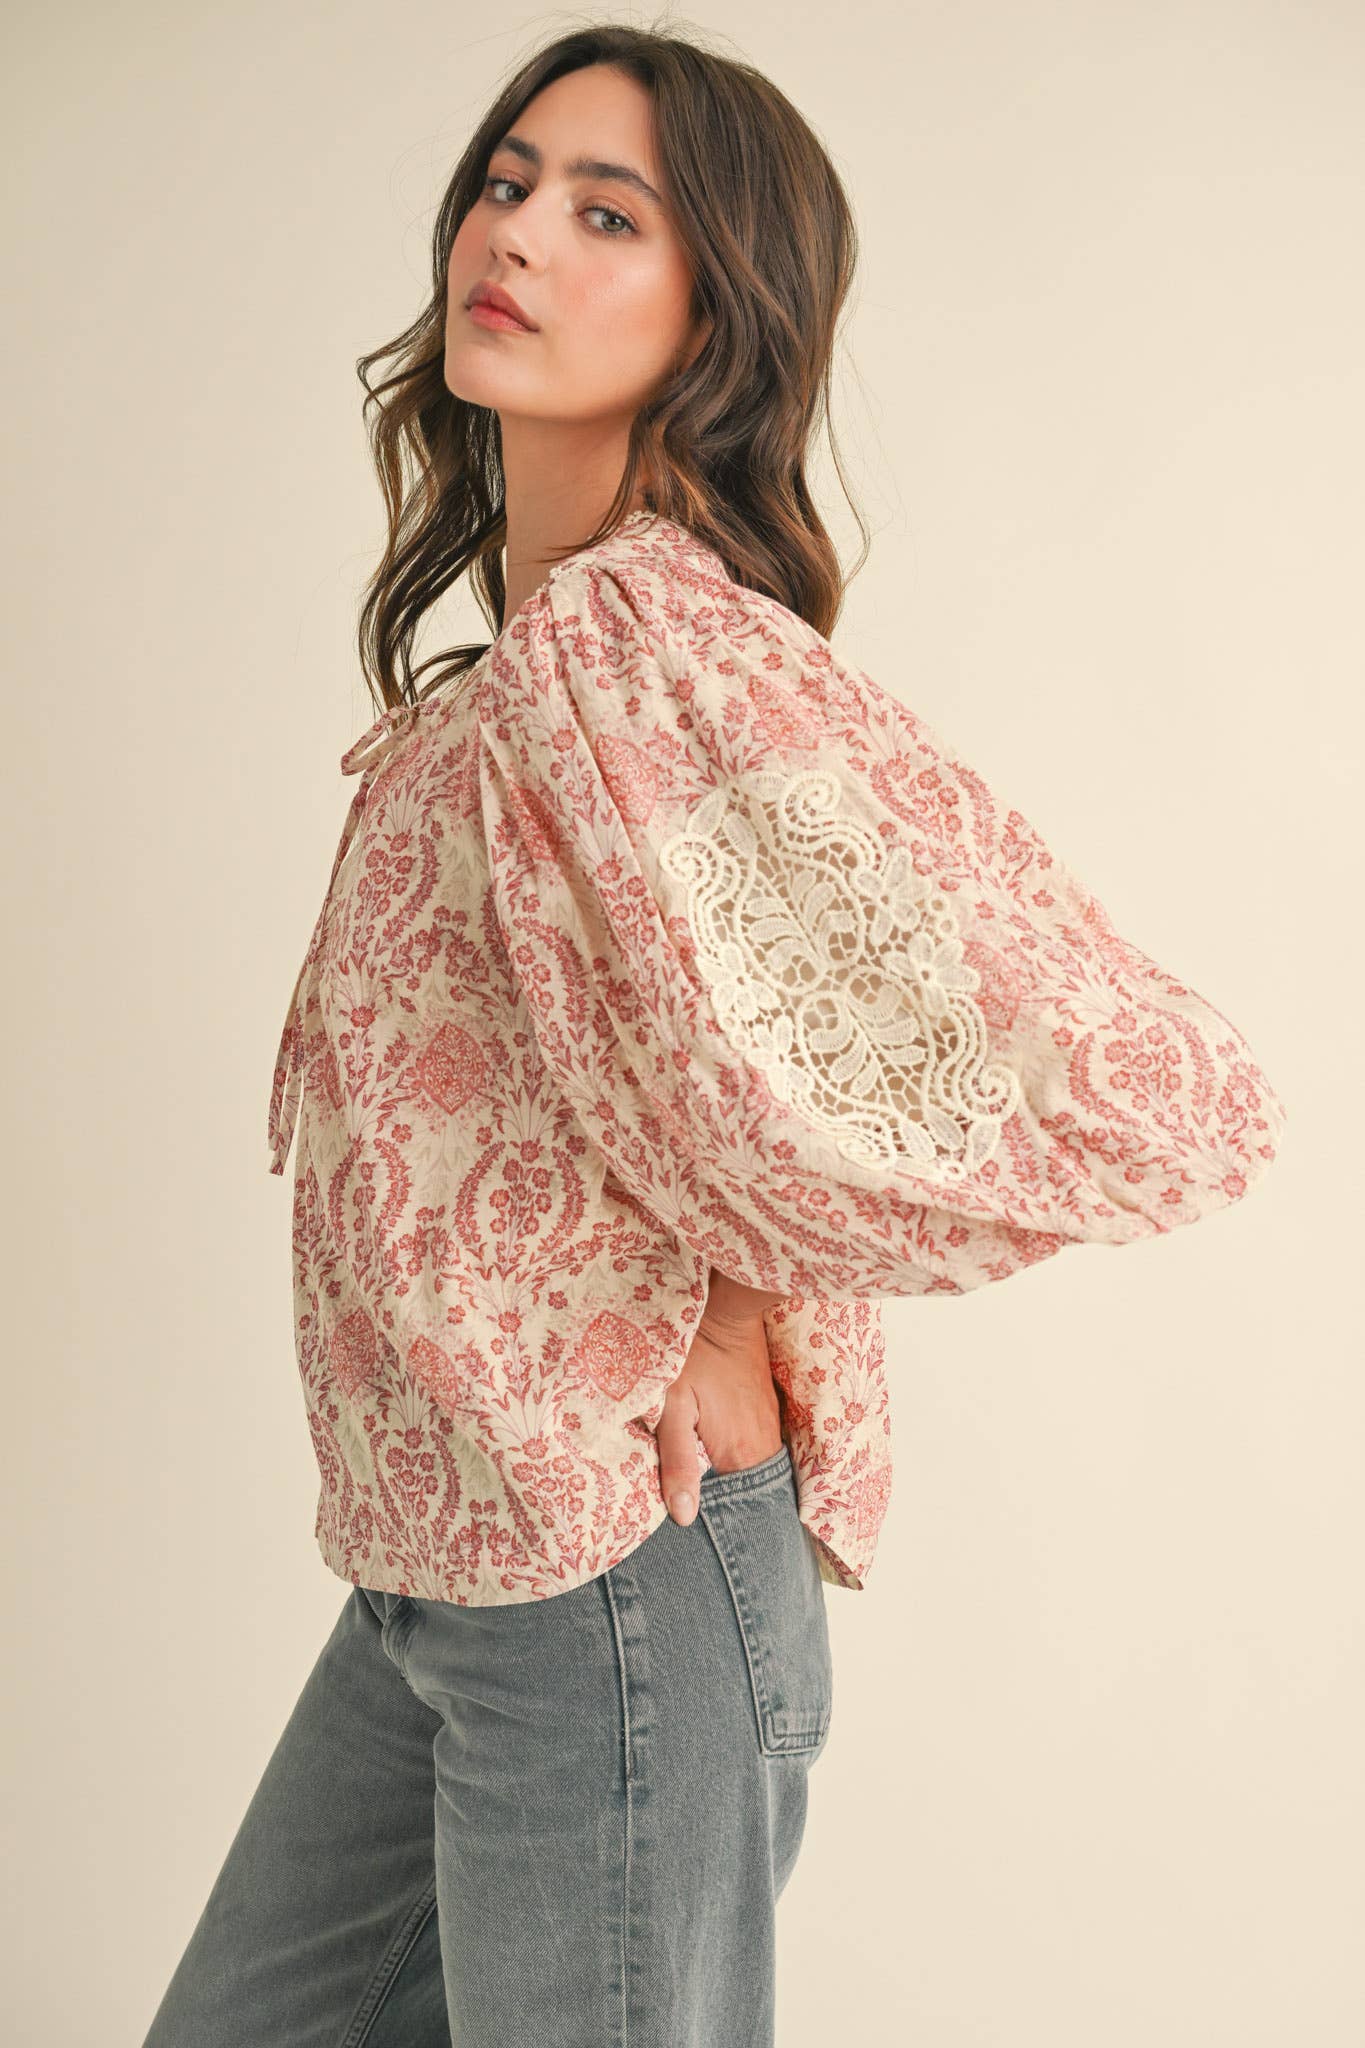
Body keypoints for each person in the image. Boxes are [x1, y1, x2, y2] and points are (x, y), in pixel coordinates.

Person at [142, 23, 1286, 2048]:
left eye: (609, 215)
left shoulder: (643, 636)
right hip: (445, 1553)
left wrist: (740, 1288)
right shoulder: (528, 661)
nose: (517, 236)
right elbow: (696, 1022)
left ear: (716, 315)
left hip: (605, 1566)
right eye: (507, 184)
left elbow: (937, 1032)